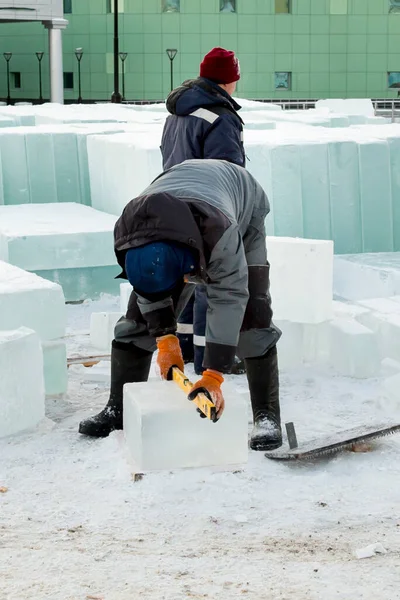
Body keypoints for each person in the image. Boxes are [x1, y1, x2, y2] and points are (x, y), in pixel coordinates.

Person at [79, 159, 282, 451]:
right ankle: (118, 410)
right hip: (176, 209)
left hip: (240, 200)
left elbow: (228, 298)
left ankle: (266, 416)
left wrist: (213, 374)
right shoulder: (130, 234)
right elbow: (148, 289)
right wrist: (165, 338)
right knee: (137, 323)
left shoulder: (220, 234)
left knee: (252, 317)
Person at [161, 47, 245, 375]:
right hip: (207, 207)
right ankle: (208, 356)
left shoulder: (177, 113)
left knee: (187, 277)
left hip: (171, 201)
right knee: (214, 280)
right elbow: (225, 168)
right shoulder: (220, 116)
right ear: (229, 79)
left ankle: (184, 346)